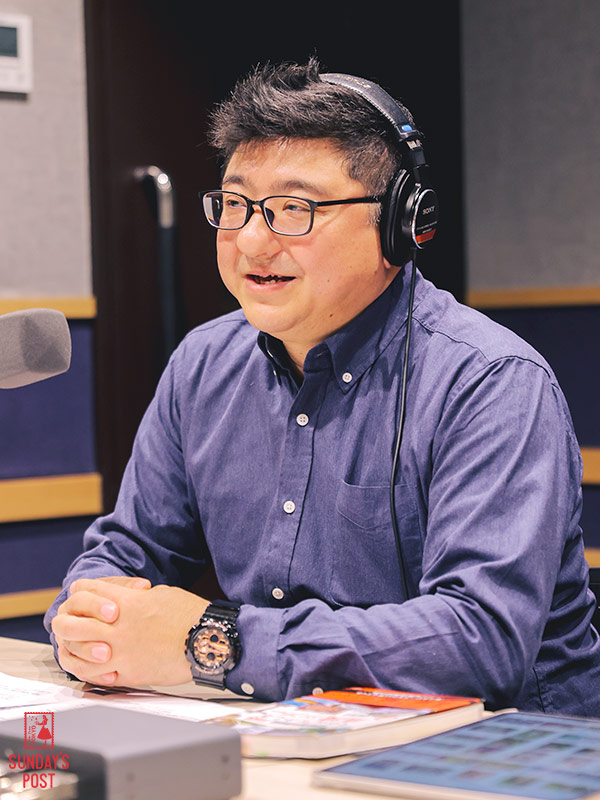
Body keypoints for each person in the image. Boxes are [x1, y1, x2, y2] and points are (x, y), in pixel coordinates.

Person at [45, 59, 600, 715]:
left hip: (495, 751)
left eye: (293, 209)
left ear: (399, 224)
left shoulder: (491, 382)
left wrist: (214, 641)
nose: (252, 241)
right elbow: (127, 552)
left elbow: (478, 641)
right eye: (236, 205)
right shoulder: (203, 363)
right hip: (286, 736)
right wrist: (89, 620)